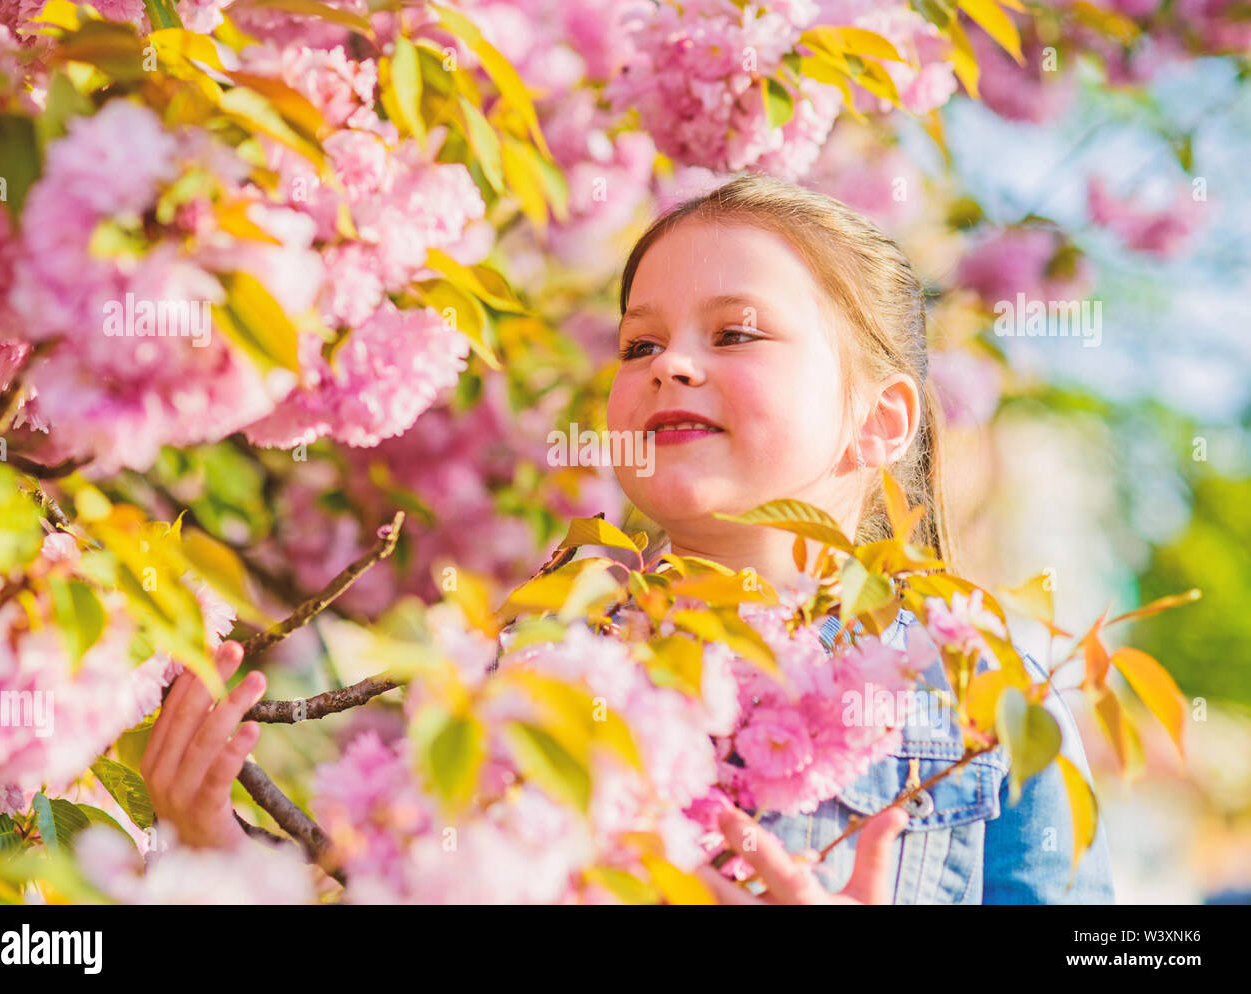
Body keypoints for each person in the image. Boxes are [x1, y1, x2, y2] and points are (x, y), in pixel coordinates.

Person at [144, 172, 1114, 904]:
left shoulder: (983, 706)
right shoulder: (532, 676)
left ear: (882, 418)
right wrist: (215, 851)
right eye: (638, 344)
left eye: (734, 334)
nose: (670, 365)